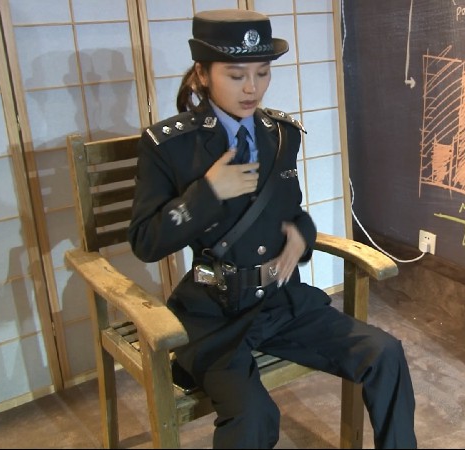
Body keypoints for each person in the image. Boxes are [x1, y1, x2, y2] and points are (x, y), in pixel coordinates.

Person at [127, 9, 417, 449]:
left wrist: (302, 235)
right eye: (236, 75)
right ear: (202, 74)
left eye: (262, 73)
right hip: (215, 314)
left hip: (281, 302)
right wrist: (208, 192)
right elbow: (146, 242)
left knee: (385, 354)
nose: (252, 88)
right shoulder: (170, 146)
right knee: (255, 417)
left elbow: (292, 211)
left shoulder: (279, 135)